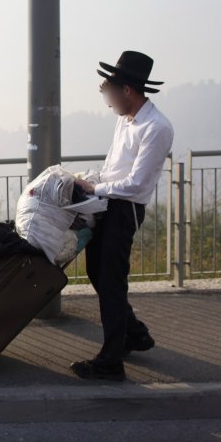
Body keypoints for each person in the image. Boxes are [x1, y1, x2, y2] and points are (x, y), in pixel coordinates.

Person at [71, 51, 174, 381]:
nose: (107, 101)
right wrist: (92, 181)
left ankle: (111, 361)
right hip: (106, 203)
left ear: (126, 90)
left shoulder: (156, 127)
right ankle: (134, 333)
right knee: (97, 273)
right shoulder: (125, 120)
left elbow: (137, 184)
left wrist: (94, 189)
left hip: (125, 208)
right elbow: (114, 167)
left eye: (108, 93)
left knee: (112, 282)